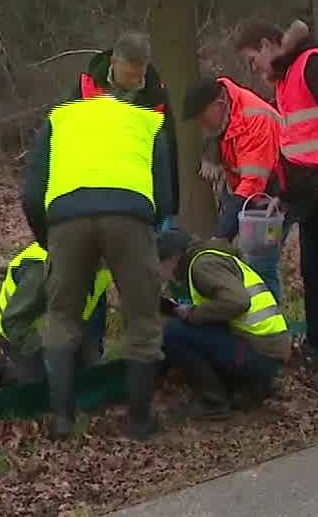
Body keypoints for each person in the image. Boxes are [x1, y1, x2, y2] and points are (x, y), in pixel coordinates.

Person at [20, 90, 177, 441]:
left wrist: (48, 237)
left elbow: (31, 193)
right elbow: (166, 199)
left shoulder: (58, 119)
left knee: (61, 317)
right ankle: (139, 421)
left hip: (65, 219)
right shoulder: (148, 122)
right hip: (131, 217)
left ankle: (62, 419)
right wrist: (145, 232)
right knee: (142, 317)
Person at [232, 19, 318, 390]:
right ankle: (316, 346)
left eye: (252, 60)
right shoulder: (288, 77)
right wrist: (284, 194)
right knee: (313, 271)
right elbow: (297, 143)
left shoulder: (315, 64)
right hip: (310, 189)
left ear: (267, 45)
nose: (255, 69)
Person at [156, 229, 291, 420]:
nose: (162, 274)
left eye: (160, 265)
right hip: (267, 349)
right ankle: (249, 386)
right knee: (186, 328)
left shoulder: (202, 266)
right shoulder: (211, 258)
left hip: (261, 352)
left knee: (174, 332)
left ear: (173, 259)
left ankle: (213, 402)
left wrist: (192, 314)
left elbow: (238, 302)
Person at [178, 74, 286, 297]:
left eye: (202, 116)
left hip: (273, 197)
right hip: (243, 193)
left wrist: (221, 234)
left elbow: (253, 185)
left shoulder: (254, 119)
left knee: (260, 264)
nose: (201, 124)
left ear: (218, 105)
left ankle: (270, 325)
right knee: (239, 261)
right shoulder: (224, 115)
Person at [69, 31, 181, 231]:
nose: (134, 82)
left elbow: (168, 151)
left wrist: (170, 206)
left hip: (137, 194)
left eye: (140, 76)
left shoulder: (156, 99)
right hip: (90, 190)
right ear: (114, 62)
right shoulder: (85, 89)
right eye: (129, 75)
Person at [0, 243, 113, 391]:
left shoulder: (103, 265)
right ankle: (3, 366)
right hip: (18, 332)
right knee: (42, 386)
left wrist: (93, 350)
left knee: (89, 377)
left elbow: (95, 307)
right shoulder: (42, 271)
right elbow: (13, 323)